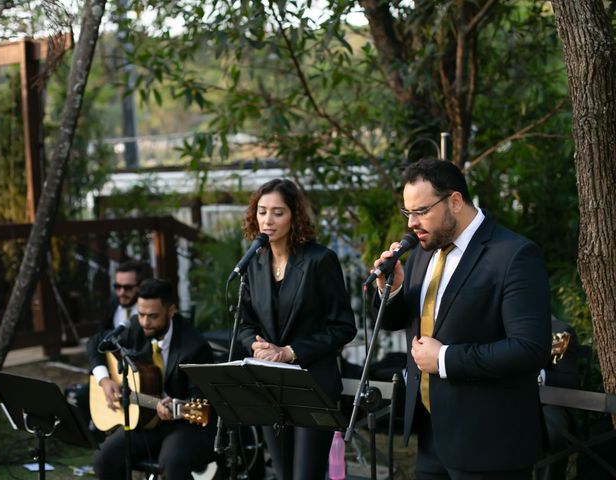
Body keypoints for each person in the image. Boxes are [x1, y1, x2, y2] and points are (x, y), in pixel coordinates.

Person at [371, 158, 551, 479]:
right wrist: (393, 290)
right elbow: (396, 319)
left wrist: (444, 358)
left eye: (421, 211)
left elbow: (529, 348)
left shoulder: (513, 254)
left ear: (455, 201)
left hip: (489, 443)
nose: (412, 223)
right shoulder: (423, 250)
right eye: (407, 213)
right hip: (430, 438)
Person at [237, 178, 357, 480]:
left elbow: (344, 327)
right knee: (282, 474)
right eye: (262, 211)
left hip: (313, 385)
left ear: (295, 216)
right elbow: (244, 324)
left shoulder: (320, 260)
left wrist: (289, 352)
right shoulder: (254, 262)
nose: (267, 220)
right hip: (268, 385)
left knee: (305, 476)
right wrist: (256, 346)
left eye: (278, 212)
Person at [91, 278, 215, 480]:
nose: (145, 322)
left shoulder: (194, 347)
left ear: (171, 311)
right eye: (140, 314)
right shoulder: (137, 327)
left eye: (153, 316)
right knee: (103, 458)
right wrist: (105, 380)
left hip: (184, 425)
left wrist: (177, 408)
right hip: (145, 420)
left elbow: (201, 404)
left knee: (172, 465)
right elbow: (95, 343)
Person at [87, 259, 152, 402]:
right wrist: (104, 379)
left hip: (145, 381)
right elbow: (96, 341)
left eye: (127, 287)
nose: (121, 292)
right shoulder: (112, 304)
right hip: (113, 377)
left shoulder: (149, 316)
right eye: (117, 286)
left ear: (141, 286)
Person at [536, 316, 582, 480]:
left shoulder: (558, 332)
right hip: (505, 402)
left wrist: (537, 377)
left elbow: (569, 381)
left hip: (547, 403)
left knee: (552, 433)